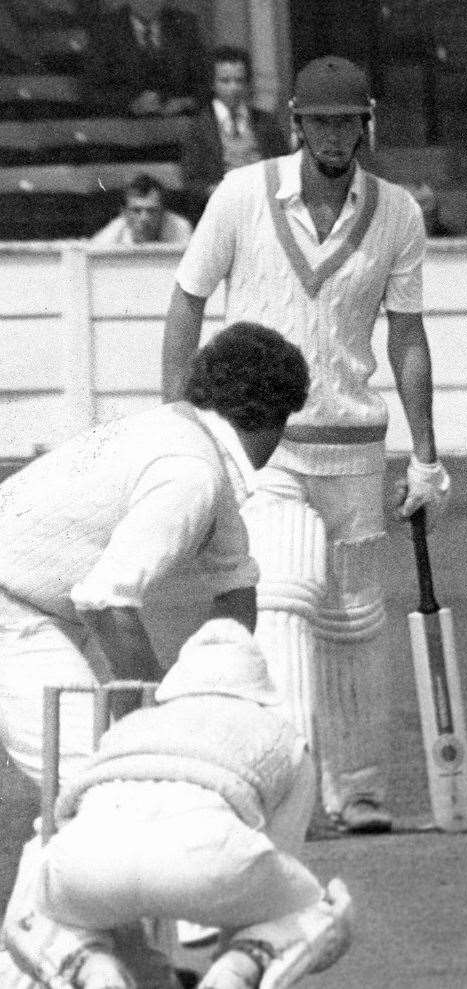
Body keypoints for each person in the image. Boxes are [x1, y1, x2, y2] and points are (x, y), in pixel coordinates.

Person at [160, 55, 450, 835]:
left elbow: (408, 337)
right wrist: (177, 416)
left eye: (346, 121)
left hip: (355, 445)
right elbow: (186, 302)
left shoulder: (396, 214)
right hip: (264, 447)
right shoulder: (242, 195)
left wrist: (425, 454)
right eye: (319, 121)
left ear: (366, 123)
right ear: (295, 123)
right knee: (284, 597)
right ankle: (282, 787)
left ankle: (357, 790)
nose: (333, 135)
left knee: (355, 619)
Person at [0, 322, 308, 988]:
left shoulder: (189, 441)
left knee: (102, 793)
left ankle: (127, 967)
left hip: (35, 604)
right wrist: (164, 724)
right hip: (11, 608)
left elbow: (235, 584)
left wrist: (223, 710)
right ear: (274, 420)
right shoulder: (191, 471)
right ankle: (25, 969)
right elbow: (108, 597)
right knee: (96, 788)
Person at [3, 619, 354, 989]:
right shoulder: (285, 738)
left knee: (31, 915)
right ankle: (242, 967)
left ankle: (88, 966)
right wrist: (233, 946)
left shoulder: (131, 725)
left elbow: (67, 815)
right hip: (212, 860)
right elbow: (277, 857)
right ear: (257, 687)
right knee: (326, 908)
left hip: (88, 856)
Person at [180, 46, 290, 214]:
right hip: (220, 209)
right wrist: (219, 192)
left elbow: (284, 168)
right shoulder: (198, 128)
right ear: (212, 84)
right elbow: (191, 181)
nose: (234, 88)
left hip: (265, 208)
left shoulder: (266, 123)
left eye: (240, 81)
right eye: (225, 81)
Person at [82, 0, 207, 117]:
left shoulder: (185, 24)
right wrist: (131, 105)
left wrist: (185, 102)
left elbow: (205, 82)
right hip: (123, 125)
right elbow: (90, 90)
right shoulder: (105, 28)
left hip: (180, 122)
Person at [90, 174, 194, 246]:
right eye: (136, 211)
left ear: (163, 212)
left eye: (152, 211)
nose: (145, 218)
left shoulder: (180, 228)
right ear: (124, 214)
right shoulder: (108, 238)